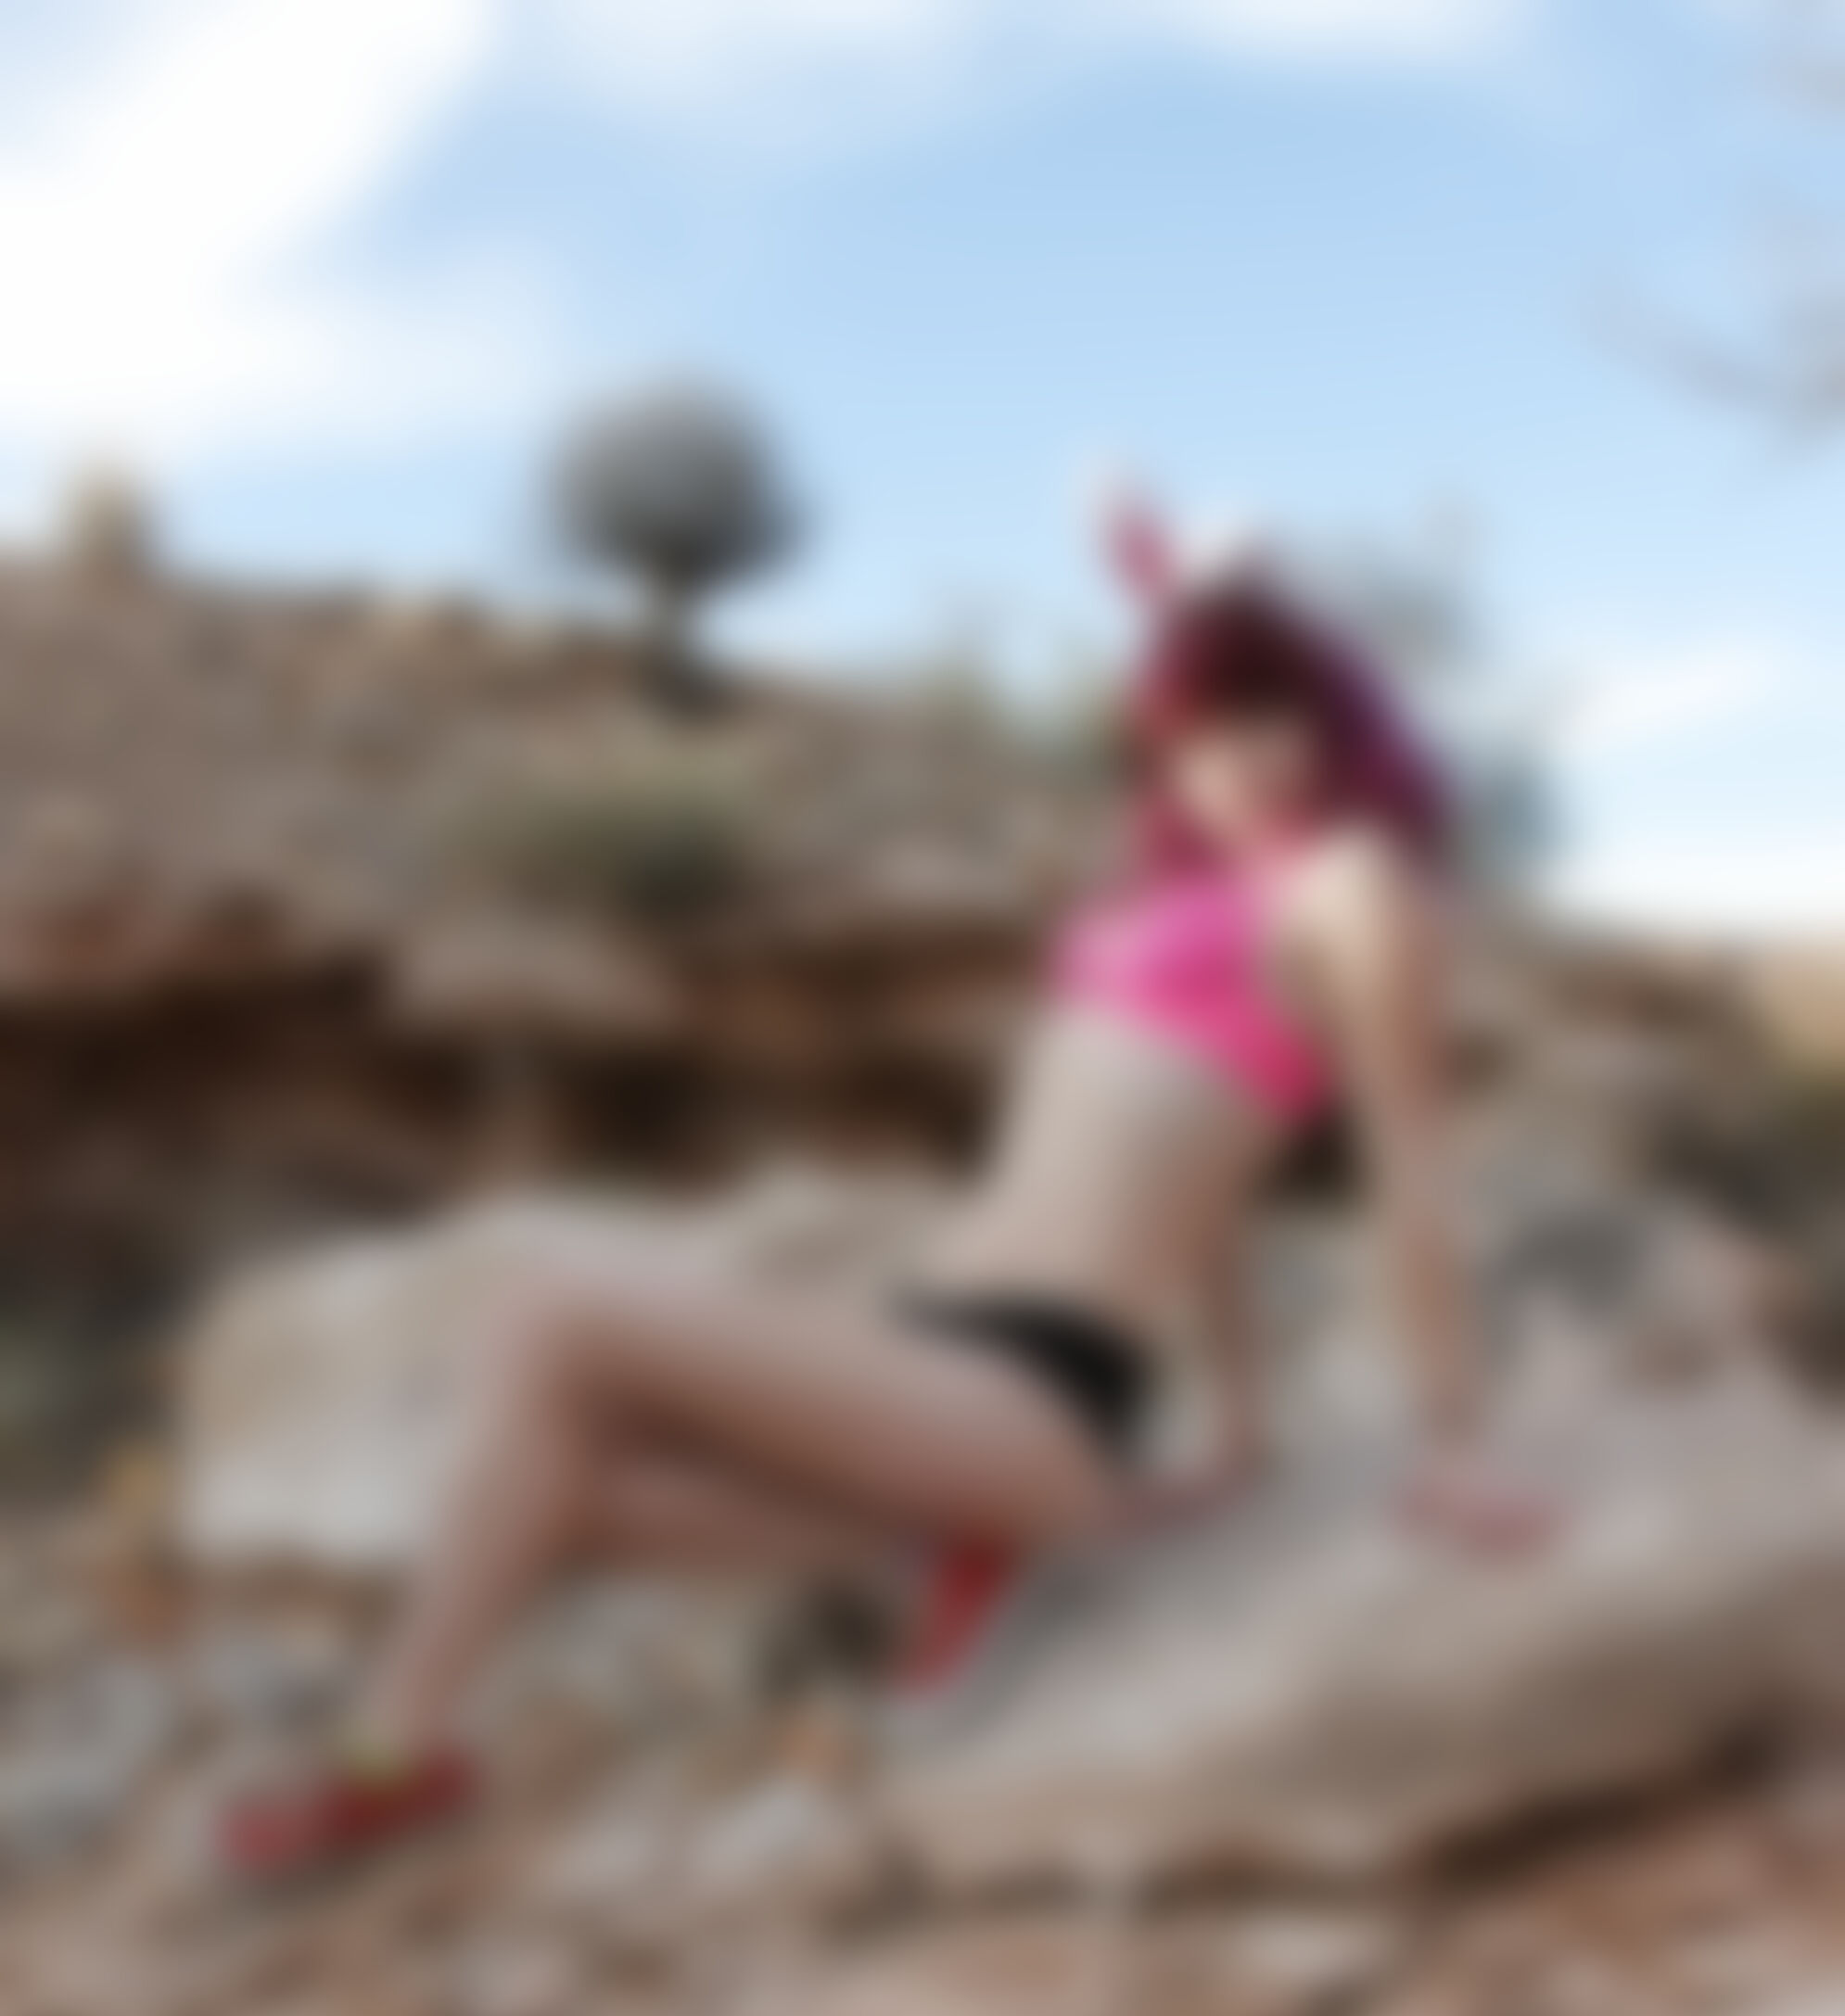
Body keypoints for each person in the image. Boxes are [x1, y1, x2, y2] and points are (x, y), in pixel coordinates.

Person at [224, 499, 1546, 1881]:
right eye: (1199, 733)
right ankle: (949, 1548)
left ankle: (390, 1758)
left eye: (1271, 716)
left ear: (1333, 714)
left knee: (548, 1314)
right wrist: (1236, 1430)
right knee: (551, 1487)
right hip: (928, 1368)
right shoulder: (1155, 897)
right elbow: (1201, 1181)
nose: (1241, 760)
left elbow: (1412, 1171)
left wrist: (1452, 1447)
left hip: (1033, 1393)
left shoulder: (1350, 887)